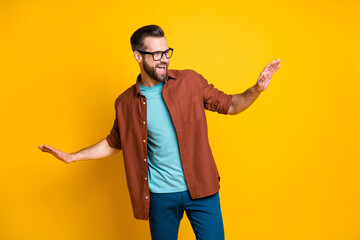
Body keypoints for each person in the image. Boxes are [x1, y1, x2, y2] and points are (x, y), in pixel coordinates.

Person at [38, 24, 281, 240]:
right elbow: (114, 142)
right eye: (156, 54)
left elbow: (231, 105)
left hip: (202, 189)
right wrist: (73, 156)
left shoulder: (191, 82)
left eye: (166, 52)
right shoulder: (125, 103)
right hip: (159, 197)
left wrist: (256, 90)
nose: (163, 59)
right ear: (137, 56)